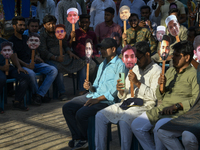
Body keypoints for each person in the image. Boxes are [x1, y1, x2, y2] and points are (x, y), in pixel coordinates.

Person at [131, 40, 199, 150]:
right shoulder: (170, 71)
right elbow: (160, 97)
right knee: (136, 125)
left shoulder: (194, 74)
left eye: (177, 56)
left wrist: (178, 105)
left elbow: (196, 99)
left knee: (159, 127)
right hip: (162, 109)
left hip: (179, 112)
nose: (173, 58)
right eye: (173, 55)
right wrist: (161, 88)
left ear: (187, 57)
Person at [95, 42, 161, 150]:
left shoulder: (156, 70)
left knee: (124, 120)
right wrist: (120, 90)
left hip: (144, 105)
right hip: (127, 103)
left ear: (148, 55)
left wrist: (138, 83)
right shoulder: (135, 68)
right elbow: (124, 94)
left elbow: (153, 97)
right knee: (100, 116)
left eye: (139, 58)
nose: (137, 62)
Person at [62, 38, 126, 149]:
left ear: (113, 49)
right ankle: (80, 138)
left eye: (105, 49)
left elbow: (116, 91)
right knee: (68, 107)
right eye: (101, 49)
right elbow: (96, 86)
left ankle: (87, 138)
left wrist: (98, 99)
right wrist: (90, 87)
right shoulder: (102, 64)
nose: (102, 51)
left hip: (107, 101)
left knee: (81, 114)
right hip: (94, 96)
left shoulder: (120, 65)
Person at [9, 16, 58, 105]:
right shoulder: (11, 41)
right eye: (20, 25)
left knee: (53, 70)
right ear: (14, 26)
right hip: (22, 66)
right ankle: (37, 96)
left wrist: (36, 57)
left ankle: (38, 95)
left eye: (23, 25)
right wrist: (27, 65)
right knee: (31, 74)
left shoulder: (26, 38)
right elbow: (14, 57)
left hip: (33, 64)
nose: (22, 27)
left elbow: (32, 51)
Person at [38, 15, 85, 100]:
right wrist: (55, 58)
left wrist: (70, 52)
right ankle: (62, 93)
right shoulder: (42, 35)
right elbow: (43, 51)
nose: (52, 26)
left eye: (53, 24)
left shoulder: (59, 31)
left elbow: (65, 45)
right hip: (51, 59)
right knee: (58, 68)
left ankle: (82, 89)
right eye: (49, 24)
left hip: (64, 56)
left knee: (81, 63)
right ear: (44, 25)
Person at [68, 14, 98, 95]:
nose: (85, 24)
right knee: (92, 65)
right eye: (83, 22)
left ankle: (100, 87)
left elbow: (96, 46)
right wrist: (71, 38)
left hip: (94, 55)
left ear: (89, 23)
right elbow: (69, 46)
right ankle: (90, 87)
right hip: (81, 56)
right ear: (79, 23)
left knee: (105, 64)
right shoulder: (75, 33)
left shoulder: (92, 33)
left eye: (87, 22)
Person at [0, 41, 30, 111]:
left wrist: (19, 67)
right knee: (1, 79)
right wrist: (1, 68)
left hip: (8, 67)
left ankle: (17, 102)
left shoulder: (4, 42)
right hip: (0, 68)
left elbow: (13, 56)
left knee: (25, 76)